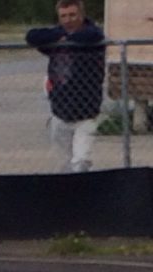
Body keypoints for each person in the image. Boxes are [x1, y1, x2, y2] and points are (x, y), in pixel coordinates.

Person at [26, 0, 105, 174]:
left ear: (81, 15)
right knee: (64, 164)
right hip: (60, 112)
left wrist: (65, 39)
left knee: (81, 162)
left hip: (86, 113)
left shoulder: (92, 36)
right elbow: (32, 36)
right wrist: (60, 37)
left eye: (72, 15)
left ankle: (82, 188)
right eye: (64, 16)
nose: (68, 20)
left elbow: (92, 36)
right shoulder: (57, 37)